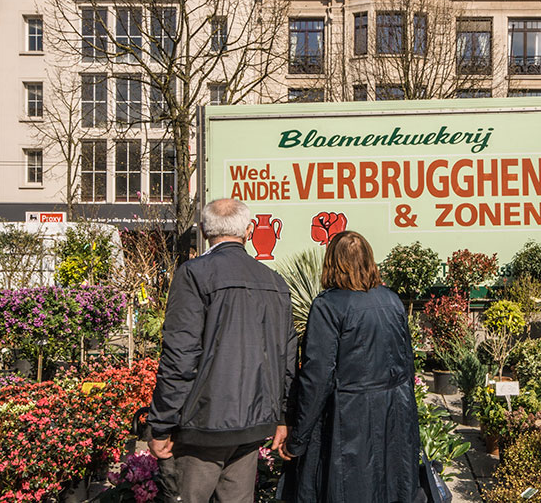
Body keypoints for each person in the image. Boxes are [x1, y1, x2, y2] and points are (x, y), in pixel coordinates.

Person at [147, 198, 296, 503]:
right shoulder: (273, 281)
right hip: (253, 420)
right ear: (249, 231)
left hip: (204, 423)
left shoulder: (194, 274)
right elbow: (287, 356)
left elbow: (180, 355)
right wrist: (283, 415)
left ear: (203, 230)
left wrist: (161, 423)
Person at [279, 231, 421, 503]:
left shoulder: (328, 305)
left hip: (348, 421)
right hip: (394, 419)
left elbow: (316, 377)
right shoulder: (392, 300)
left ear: (332, 262)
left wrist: (298, 437)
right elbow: (407, 366)